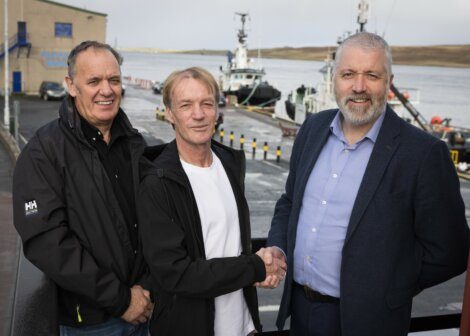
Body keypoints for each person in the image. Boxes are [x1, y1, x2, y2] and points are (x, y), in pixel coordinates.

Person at [264, 32, 469, 336]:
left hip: (370, 321)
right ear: (335, 78)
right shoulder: (312, 128)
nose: (359, 87)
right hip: (301, 310)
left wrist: (390, 286)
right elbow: (290, 202)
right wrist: (279, 246)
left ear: (389, 81)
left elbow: (451, 251)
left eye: (371, 75)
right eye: (348, 74)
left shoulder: (423, 153)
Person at [13, 41, 153, 335]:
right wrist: (121, 300)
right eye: (94, 81)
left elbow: (155, 221)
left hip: (147, 309)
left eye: (114, 80)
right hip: (91, 323)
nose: (107, 90)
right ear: (71, 85)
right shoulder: (44, 151)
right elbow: (47, 241)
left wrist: (147, 288)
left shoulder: (134, 144)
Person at [138, 67, 286, 336]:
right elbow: (176, 274)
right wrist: (255, 267)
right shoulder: (157, 183)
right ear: (169, 113)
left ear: (218, 110)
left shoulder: (229, 163)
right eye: (186, 105)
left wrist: (266, 258)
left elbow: (229, 243)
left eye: (207, 103)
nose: (198, 114)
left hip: (244, 326)